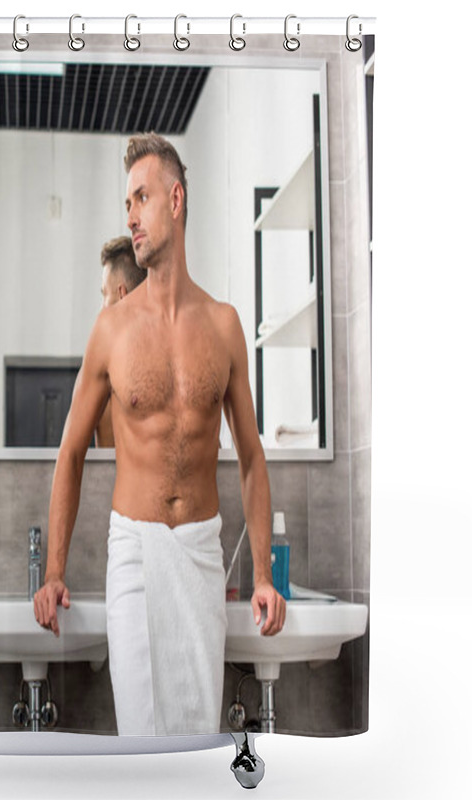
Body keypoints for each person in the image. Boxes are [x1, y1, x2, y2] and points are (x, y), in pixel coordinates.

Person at [34, 133, 286, 736]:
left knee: (199, 737)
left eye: (141, 198)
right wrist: (53, 572)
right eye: (126, 202)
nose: (130, 215)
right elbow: (70, 453)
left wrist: (263, 576)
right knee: (142, 738)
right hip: (135, 552)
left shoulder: (223, 327)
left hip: (201, 554)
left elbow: (251, 457)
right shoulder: (112, 330)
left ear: (176, 200)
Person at [96, 236, 146, 447]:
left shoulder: (104, 378)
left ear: (122, 295)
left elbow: (103, 471)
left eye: (104, 295)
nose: (101, 309)